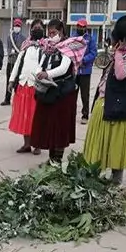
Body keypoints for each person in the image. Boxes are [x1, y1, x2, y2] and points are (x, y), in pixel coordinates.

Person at [83, 16, 126, 184]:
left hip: (120, 104)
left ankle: (116, 178)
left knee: (116, 144)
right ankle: (96, 173)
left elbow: (121, 75)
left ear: (122, 38)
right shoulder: (124, 51)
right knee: (100, 141)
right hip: (106, 100)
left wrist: (119, 53)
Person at [30, 19, 78, 164]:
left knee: (60, 128)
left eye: (54, 33)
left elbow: (63, 68)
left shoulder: (68, 47)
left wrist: (47, 74)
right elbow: (40, 65)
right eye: (49, 33)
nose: (51, 36)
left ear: (61, 32)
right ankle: (51, 159)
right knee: (49, 127)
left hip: (63, 94)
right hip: (49, 94)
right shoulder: (48, 48)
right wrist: (39, 73)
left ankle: (57, 159)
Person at [7, 19, 46, 155]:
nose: (36, 29)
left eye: (39, 27)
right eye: (34, 27)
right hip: (23, 85)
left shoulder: (46, 47)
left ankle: (37, 145)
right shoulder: (25, 45)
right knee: (24, 116)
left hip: (37, 87)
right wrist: (12, 80)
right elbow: (18, 63)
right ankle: (27, 144)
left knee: (36, 117)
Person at [74, 18, 98, 124]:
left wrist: (83, 60)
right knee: (72, 93)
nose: (80, 28)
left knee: (85, 94)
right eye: (79, 26)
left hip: (85, 71)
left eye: (83, 27)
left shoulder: (90, 39)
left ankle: (85, 115)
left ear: (86, 28)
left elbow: (93, 53)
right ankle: (71, 112)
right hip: (75, 70)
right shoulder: (73, 38)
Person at [1, 18, 26, 106]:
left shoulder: (23, 38)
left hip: (18, 62)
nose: (17, 27)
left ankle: (17, 98)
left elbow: (23, 49)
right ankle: (7, 99)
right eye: (15, 25)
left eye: (18, 26)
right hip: (10, 61)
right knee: (9, 80)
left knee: (18, 81)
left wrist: (17, 53)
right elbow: (8, 48)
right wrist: (9, 53)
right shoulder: (9, 37)